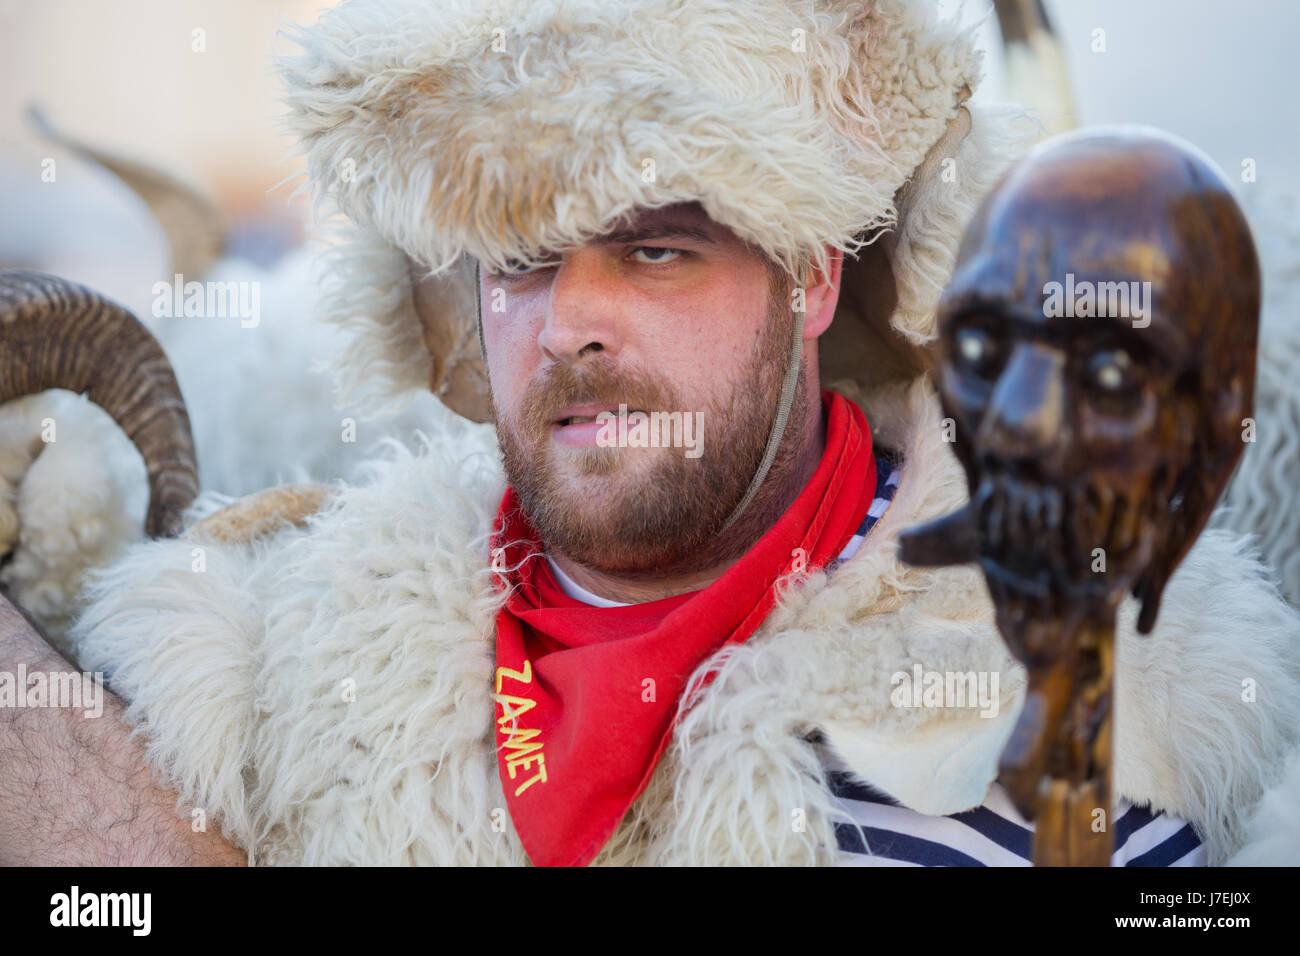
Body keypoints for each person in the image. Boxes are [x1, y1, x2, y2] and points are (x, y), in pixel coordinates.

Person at [2, 0, 1297, 866]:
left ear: (816, 274)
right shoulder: (275, 672)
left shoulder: (1064, 723)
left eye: (658, 248)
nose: (569, 320)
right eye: (518, 259)